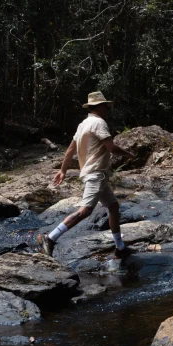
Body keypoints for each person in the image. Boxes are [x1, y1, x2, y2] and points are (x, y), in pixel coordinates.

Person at [38, 91, 136, 259]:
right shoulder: (99, 123)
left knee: (113, 207)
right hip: (95, 174)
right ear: (99, 106)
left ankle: (120, 247)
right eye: (106, 106)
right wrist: (129, 154)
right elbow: (110, 147)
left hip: (98, 175)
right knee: (85, 211)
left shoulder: (83, 124)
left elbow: (70, 150)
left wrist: (63, 170)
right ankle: (51, 237)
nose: (108, 109)